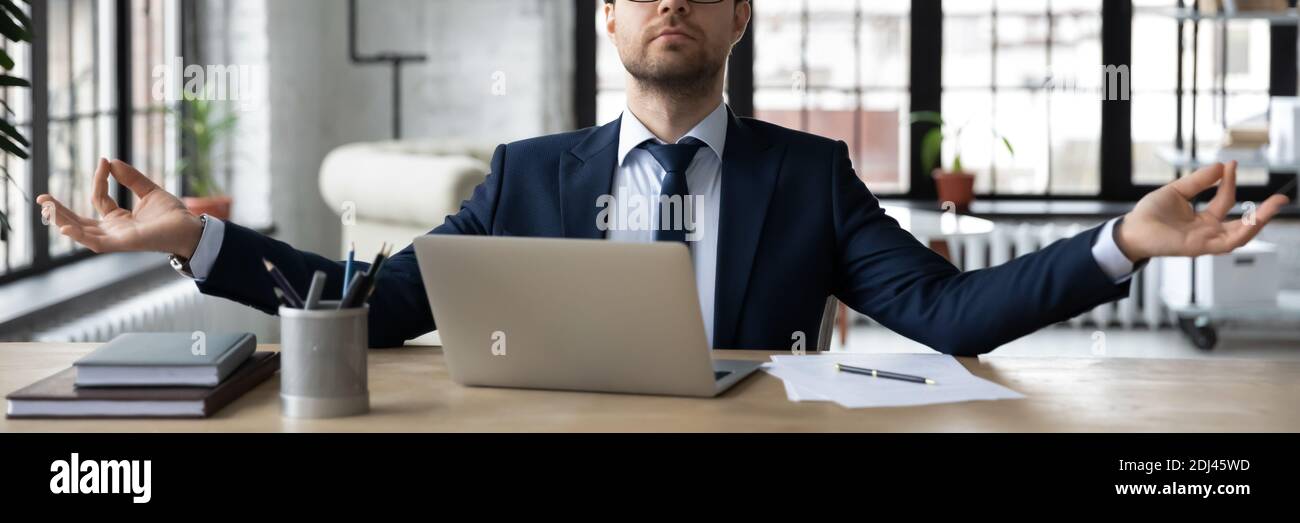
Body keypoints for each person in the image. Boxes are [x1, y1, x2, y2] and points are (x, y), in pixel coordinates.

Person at [36, 0, 1290, 354]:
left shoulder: (810, 177)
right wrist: (187, 244)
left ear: (738, 17)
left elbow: (948, 314)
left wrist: (1120, 242)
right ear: (611, 23)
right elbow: (366, 301)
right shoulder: (526, 176)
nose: (670, 3)